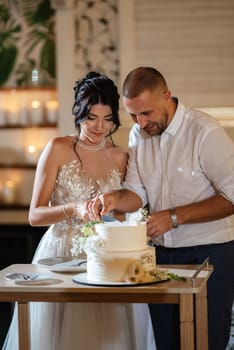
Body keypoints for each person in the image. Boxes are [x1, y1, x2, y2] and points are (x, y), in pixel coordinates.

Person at [2, 72, 156, 350]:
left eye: (107, 119)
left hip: (106, 257)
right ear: (78, 113)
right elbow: (35, 215)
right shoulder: (58, 148)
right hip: (59, 253)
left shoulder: (121, 156)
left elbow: (124, 210)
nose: (99, 126)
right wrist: (74, 208)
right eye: (92, 117)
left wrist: (113, 208)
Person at [89, 67, 234, 350]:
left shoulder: (204, 132)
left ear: (166, 96)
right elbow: (136, 193)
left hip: (210, 252)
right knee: (166, 343)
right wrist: (114, 199)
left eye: (146, 113)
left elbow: (232, 196)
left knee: (206, 342)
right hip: (160, 255)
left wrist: (174, 217)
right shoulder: (137, 135)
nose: (140, 123)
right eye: (132, 115)